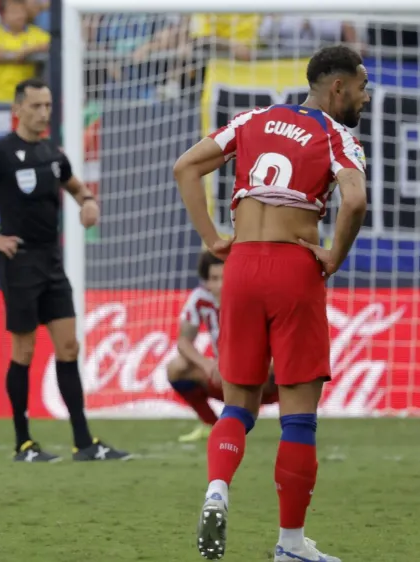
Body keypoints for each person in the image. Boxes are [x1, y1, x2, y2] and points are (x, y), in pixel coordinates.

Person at [173, 44, 369, 562]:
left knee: (237, 403)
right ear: (338, 88)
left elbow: (185, 168)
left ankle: (217, 488)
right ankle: (290, 545)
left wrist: (213, 238)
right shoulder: (338, 136)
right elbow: (355, 200)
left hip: (239, 267)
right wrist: (333, 256)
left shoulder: (251, 119)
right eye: (362, 88)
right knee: (299, 418)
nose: (365, 98)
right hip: (293, 266)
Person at [0, 78, 130, 463]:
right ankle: (24, 443)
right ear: (18, 109)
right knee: (24, 350)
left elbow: (77, 188)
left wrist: (89, 202)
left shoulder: (52, 153)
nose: (43, 113)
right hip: (19, 261)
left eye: (47, 105)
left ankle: (84, 443)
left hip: (51, 261)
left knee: (69, 346)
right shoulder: (0, 152)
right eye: (36, 106)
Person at [169, 250, 278, 443]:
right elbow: (183, 342)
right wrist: (207, 365)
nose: (220, 285)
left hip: (261, 380)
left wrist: (236, 364)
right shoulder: (200, 298)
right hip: (225, 379)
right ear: (206, 281)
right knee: (176, 368)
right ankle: (212, 426)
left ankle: (295, 425)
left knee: (283, 364)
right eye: (214, 278)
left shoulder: (254, 295)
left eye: (225, 277)